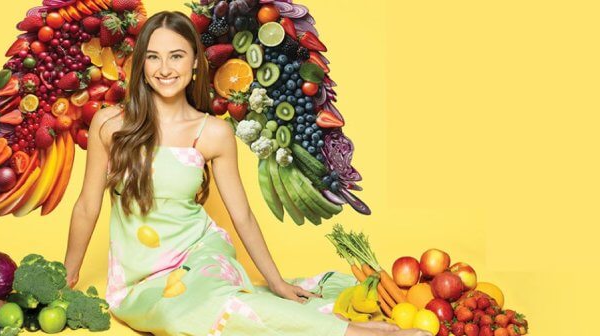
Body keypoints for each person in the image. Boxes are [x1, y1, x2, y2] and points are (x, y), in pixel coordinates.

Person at [62, 10, 431, 336]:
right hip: (139, 280)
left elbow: (242, 215)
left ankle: (350, 332)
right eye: (154, 57)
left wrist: (276, 281)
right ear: (141, 65)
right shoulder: (109, 124)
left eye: (176, 56)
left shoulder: (213, 133)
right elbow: (87, 206)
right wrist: (69, 275)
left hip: (201, 253)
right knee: (177, 319)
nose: (165, 69)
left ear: (194, 65)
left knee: (214, 305)